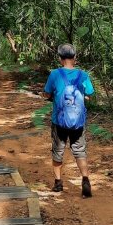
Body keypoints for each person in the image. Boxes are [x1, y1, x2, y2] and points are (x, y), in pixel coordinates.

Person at [43, 43, 94, 198]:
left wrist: (52, 96)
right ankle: (85, 180)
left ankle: (58, 183)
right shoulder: (83, 75)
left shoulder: (54, 74)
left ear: (60, 59)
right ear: (75, 58)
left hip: (59, 121)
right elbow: (89, 94)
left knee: (58, 150)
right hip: (78, 122)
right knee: (79, 151)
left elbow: (46, 93)